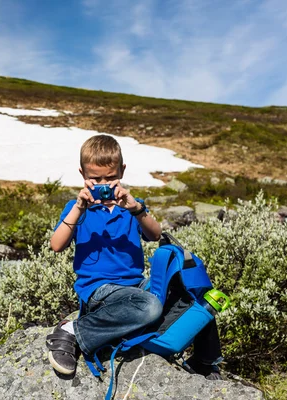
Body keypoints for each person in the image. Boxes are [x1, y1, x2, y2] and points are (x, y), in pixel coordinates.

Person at [45, 134, 223, 380]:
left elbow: (155, 234)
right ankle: (71, 331)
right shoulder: (77, 209)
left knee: (193, 289)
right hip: (98, 290)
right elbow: (56, 245)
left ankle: (205, 360)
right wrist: (78, 207)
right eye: (95, 179)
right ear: (82, 175)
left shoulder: (131, 206)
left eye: (110, 177)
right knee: (150, 306)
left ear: (122, 171)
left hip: (135, 286)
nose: (103, 184)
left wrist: (136, 209)